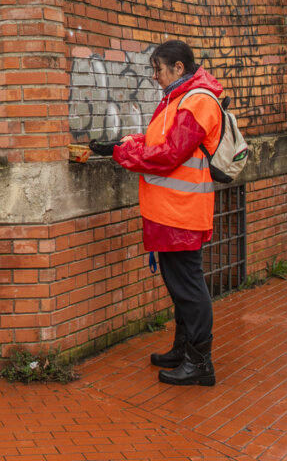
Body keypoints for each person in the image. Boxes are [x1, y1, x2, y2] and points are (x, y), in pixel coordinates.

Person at [90, 40, 222, 386]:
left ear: (178, 68)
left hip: (182, 212)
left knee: (189, 287)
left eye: (158, 69)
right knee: (180, 287)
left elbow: (167, 154)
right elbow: (154, 141)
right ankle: (184, 350)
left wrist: (121, 155)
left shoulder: (197, 101)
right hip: (171, 211)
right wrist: (120, 145)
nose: (155, 76)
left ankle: (200, 363)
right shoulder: (182, 99)